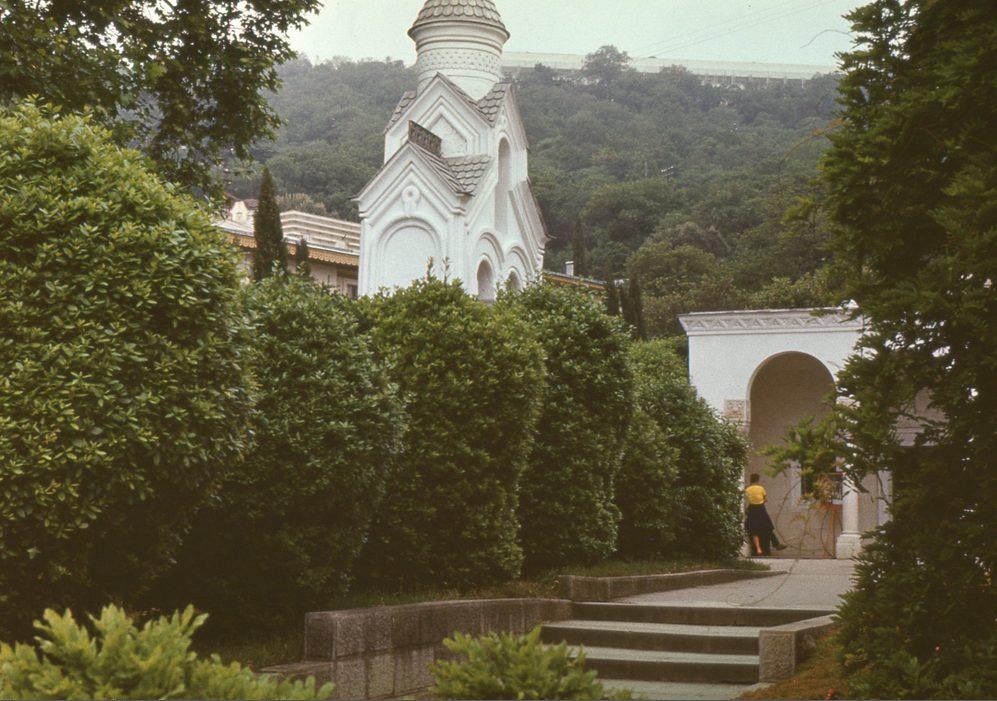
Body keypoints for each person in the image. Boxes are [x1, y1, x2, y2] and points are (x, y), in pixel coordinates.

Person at [744, 473, 787, 556]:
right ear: (758, 480)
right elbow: (765, 499)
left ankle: (758, 549)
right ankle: (777, 544)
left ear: (751, 480)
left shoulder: (747, 489)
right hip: (761, 508)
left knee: (753, 530)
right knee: (768, 527)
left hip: (751, 509)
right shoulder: (761, 488)